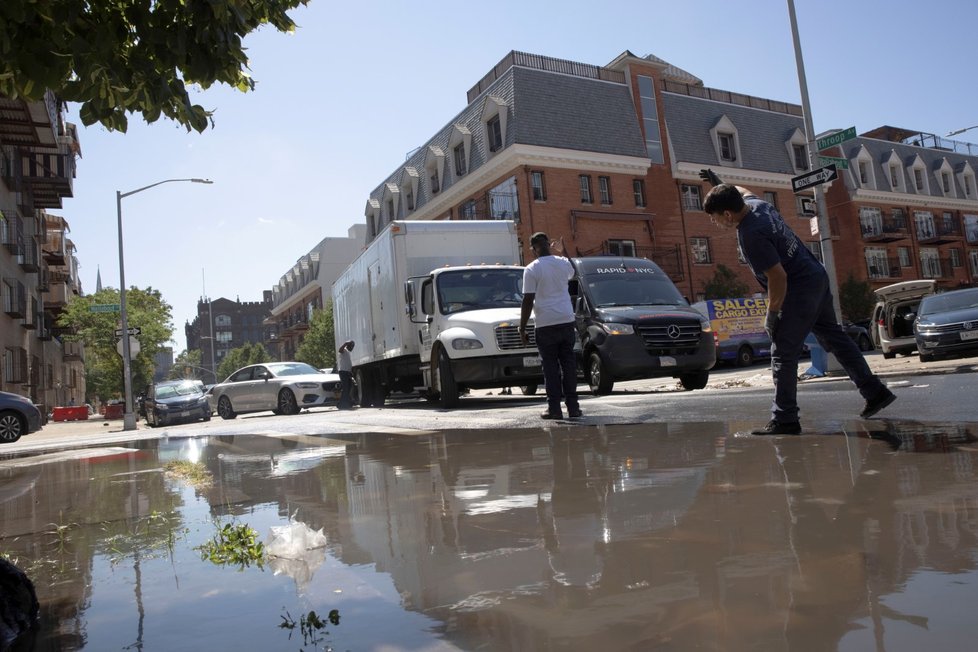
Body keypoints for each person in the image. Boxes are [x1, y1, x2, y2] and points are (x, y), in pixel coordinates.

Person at [702, 177, 895, 435]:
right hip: (816, 276)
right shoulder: (757, 204)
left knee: (782, 352)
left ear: (727, 213)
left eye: (715, 217)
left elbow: (777, 277)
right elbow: (741, 190)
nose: (715, 222)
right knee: (836, 338)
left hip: (798, 288)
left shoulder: (750, 233)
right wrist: (718, 184)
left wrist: (772, 314)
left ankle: (785, 419)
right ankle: (875, 391)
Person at [519, 232, 582, 420]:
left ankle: (554, 408)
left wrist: (522, 328)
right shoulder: (562, 262)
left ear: (533, 248)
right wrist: (564, 251)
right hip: (566, 319)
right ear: (548, 243)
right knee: (568, 364)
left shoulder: (531, 269)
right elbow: (574, 272)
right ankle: (574, 407)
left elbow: (528, 300)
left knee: (550, 367)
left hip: (545, 323)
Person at [337, 340, 355, 410]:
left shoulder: (348, 352)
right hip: (343, 372)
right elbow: (340, 350)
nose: (352, 348)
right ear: (348, 346)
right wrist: (345, 343)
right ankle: (341, 404)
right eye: (351, 346)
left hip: (347, 372)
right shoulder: (344, 350)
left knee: (348, 388)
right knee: (345, 388)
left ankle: (346, 403)